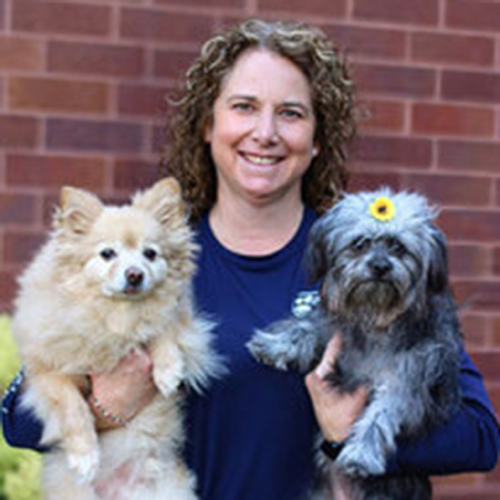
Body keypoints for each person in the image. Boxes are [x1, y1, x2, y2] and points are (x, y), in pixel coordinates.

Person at [2, 19, 499, 500]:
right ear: (206, 124)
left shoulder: (359, 260)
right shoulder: (154, 264)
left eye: (291, 113)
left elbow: (480, 437)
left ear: (318, 137)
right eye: (244, 107)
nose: (265, 132)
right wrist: (106, 407)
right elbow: (16, 421)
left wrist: (351, 431)